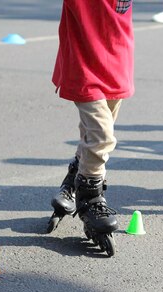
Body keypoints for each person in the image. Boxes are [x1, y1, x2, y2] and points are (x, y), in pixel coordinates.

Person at [47, 0, 135, 257]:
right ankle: (91, 198)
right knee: (102, 136)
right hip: (84, 65)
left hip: (117, 61)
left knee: (93, 133)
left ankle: (73, 180)